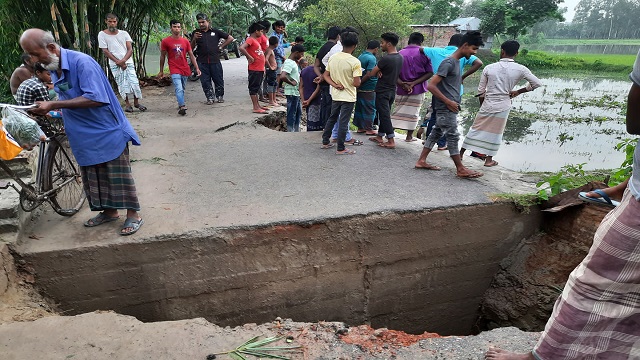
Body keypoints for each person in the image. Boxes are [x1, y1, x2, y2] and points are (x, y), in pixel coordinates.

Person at [485, 48, 640, 360]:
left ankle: (545, 356)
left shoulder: (488, 68)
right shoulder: (517, 69)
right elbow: (536, 83)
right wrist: (623, 187)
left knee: (593, 286)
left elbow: (635, 123)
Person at [21, 28, 144, 235]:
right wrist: (53, 108)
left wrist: (51, 105)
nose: (32, 60)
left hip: (105, 129)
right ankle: (109, 211)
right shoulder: (53, 66)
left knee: (117, 175)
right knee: (94, 175)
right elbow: (66, 94)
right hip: (81, 132)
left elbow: (96, 97)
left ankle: (133, 214)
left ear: (51, 47)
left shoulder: (82, 62)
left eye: (34, 54)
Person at [460, 40, 542, 167]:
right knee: (496, 132)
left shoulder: (489, 68)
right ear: (517, 53)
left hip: (488, 102)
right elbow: (536, 83)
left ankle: (460, 154)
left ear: (502, 51)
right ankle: (488, 160)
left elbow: (481, 91)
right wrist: (519, 91)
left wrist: (483, 105)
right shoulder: (521, 69)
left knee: (476, 128)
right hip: (503, 104)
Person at [414, 31, 484, 178]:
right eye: (473, 48)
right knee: (453, 135)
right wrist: (448, 101)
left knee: (436, 133)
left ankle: (421, 160)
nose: (474, 53)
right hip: (446, 106)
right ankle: (460, 168)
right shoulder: (449, 62)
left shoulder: (458, 62)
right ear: (464, 45)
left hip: (451, 105)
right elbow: (431, 86)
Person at [320, 31, 362, 155]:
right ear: (355, 45)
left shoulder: (333, 57)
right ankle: (341, 148)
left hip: (336, 94)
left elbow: (326, 75)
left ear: (341, 43)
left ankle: (325, 141)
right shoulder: (355, 62)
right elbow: (356, 83)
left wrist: (335, 85)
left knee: (332, 118)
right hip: (349, 96)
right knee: (344, 121)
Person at [361, 32, 404, 149]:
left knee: (384, 115)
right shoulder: (400, 57)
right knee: (384, 113)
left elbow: (372, 72)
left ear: (389, 44)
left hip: (382, 91)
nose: (381, 45)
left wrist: (378, 71)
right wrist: (380, 70)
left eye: (383, 42)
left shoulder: (386, 58)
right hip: (392, 90)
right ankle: (380, 136)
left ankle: (391, 140)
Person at [98, 13, 146, 113]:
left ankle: (136, 103)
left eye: (114, 21)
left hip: (128, 62)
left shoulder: (124, 33)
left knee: (134, 82)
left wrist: (123, 61)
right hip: (114, 63)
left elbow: (130, 49)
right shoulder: (102, 34)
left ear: (117, 22)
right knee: (121, 84)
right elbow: (105, 51)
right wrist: (118, 62)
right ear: (106, 21)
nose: (112, 24)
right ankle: (127, 104)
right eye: (110, 21)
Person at [391, 32, 433, 142]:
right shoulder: (424, 54)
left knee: (397, 111)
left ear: (409, 40)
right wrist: (413, 83)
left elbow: (393, 73)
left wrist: (402, 84)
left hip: (400, 88)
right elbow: (429, 73)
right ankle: (409, 136)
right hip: (418, 89)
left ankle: (390, 134)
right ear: (421, 42)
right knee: (414, 113)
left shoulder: (399, 53)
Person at [158, 19, 200, 116]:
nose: (177, 29)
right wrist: (161, 71)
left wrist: (197, 68)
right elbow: (162, 56)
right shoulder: (165, 41)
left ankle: (180, 102)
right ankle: (182, 106)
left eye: (178, 27)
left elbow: (191, 55)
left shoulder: (185, 41)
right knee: (179, 88)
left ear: (181, 28)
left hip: (185, 68)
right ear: (171, 28)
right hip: (174, 68)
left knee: (182, 88)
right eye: (174, 27)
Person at [191, 13, 234, 104]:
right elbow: (190, 48)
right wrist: (194, 39)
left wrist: (221, 47)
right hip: (202, 62)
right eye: (199, 22)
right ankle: (210, 98)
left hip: (215, 61)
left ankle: (219, 96)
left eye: (203, 22)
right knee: (205, 81)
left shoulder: (216, 31)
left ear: (208, 22)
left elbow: (230, 38)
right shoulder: (196, 33)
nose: (201, 24)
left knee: (218, 79)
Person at [313, 26, 342, 129]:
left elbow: (316, 65)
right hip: (333, 82)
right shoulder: (336, 49)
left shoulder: (322, 48)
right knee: (331, 107)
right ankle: (330, 129)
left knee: (325, 105)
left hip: (324, 82)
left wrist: (321, 75)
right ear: (339, 36)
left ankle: (324, 127)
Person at [239, 22, 268, 114]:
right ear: (256, 31)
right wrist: (249, 57)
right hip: (254, 68)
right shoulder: (250, 39)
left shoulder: (256, 40)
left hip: (259, 68)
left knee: (257, 86)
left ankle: (258, 105)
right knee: (253, 88)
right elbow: (241, 48)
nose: (262, 33)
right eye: (261, 31)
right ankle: (255, 107)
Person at [353, 40, 379, 136]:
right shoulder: (372, 58)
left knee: (360, 107)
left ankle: (360, 127)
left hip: (360, 87)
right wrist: (360, 82)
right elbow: (369, 74)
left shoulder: (361, 56)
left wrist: (359, 83)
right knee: (370, 108)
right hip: (369, 87)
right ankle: (369, 128)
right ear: (376, 49)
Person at [279, 44, 306, 132]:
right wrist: (292, 83)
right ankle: (291, 131)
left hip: (295, 92)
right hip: (291, 92)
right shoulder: (289, 62)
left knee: (298, 112)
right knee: (292, 113)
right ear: (296, 53)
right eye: (301, 54)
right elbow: (282, 76)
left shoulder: (293, 62)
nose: (302, 56)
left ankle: (296, 130)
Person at [300, 59, 321, 131]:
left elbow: (301, 87)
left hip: (306, 98)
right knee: (318, 121)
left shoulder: (304, 71)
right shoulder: (319, 72)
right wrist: (309, 100)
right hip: (316, 100)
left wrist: (304, 100)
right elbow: (318, 88)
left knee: (310, 119)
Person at [264, 36, 279, 107]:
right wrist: (270, 67)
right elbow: (266, 59)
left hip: (273, 70)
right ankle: (271, 100)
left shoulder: (269, 49)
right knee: (271, 84)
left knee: (275, 84)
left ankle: (274, 99)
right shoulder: (269, 50)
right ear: (276, 44)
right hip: (271, 70)